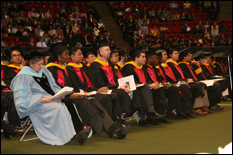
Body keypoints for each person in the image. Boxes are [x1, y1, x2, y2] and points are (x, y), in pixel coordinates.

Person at [46, 43, 131, 139]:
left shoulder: (64, 68)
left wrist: (81, 93)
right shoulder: (51, 69)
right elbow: (54, 88)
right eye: (66, 54)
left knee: (93, 100)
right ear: (58, 56)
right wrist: (73, 94)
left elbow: (71, 86)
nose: (68, 57)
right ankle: (109, 129)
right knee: (87, 102)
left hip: (74, 95)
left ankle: (112, 129)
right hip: (61, 98)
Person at [10, 50, 91, 145]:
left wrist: (59, 94)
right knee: (59, 108)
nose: (41, 66)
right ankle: (68, 134)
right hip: (37, 104)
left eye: (42, 63)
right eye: (39, 64)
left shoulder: (43, 70)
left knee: (69, 104)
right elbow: (22, 99)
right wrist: (41, 100)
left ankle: (78, 131)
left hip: (51, 99)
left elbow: (54, 86)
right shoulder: (23, 76)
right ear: (31, 63)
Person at [66, 46, 127, 125]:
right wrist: (96, 91)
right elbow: (78, 87)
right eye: (79, 54)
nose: (82, 56)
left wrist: (97, 89)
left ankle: (114, 118)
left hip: (92, 91)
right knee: (106, 97)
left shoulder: (83, 67)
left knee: (112, 95)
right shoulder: (69, 69)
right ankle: (109, 122)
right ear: (72, 57)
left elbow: (92, 81)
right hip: (84, 93)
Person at [122, 47, 170, 125]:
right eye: (143, 57)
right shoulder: (128, 67)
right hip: (134, 90)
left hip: (144, 88)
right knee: (144, 89)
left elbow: (147, 79)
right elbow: (131, 82)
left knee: (159, 89)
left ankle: (154, 117)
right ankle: (148, 114)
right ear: (136, 58)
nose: (145, 59)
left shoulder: (143, 67)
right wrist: (148, 85)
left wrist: (154, 84)